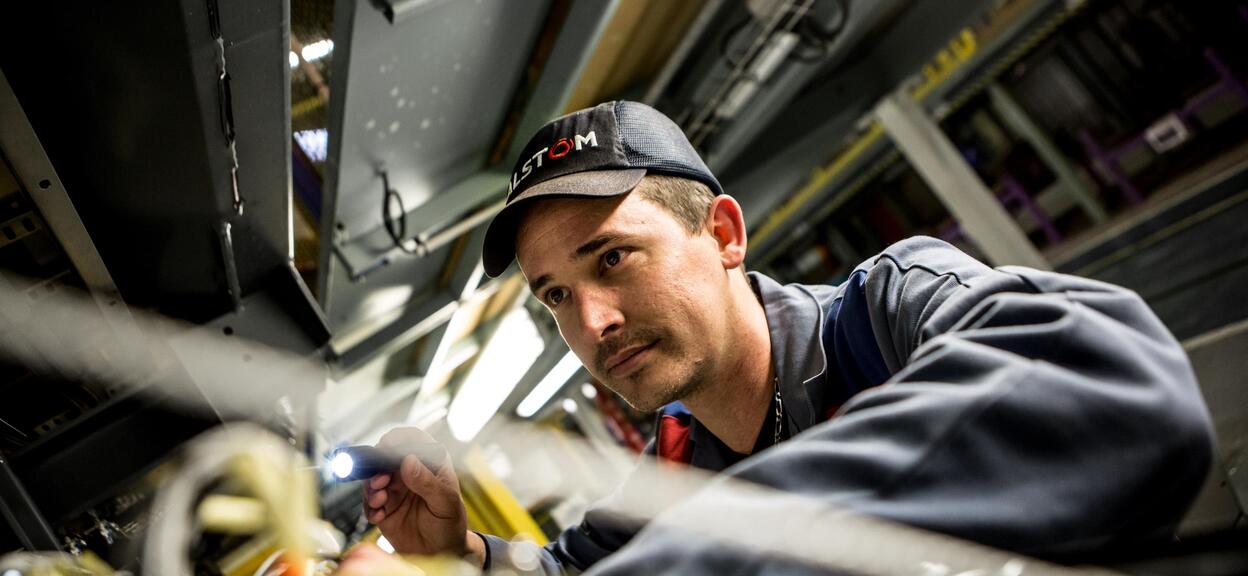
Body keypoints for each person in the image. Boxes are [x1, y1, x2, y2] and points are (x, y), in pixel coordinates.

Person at [354, 101, 1215, 575]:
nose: (593, 322)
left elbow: (1103, 380)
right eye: (556, 297)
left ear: (725, 235)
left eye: (613, 258)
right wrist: (463, 556)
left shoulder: (887, 314)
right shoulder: (673, 463)